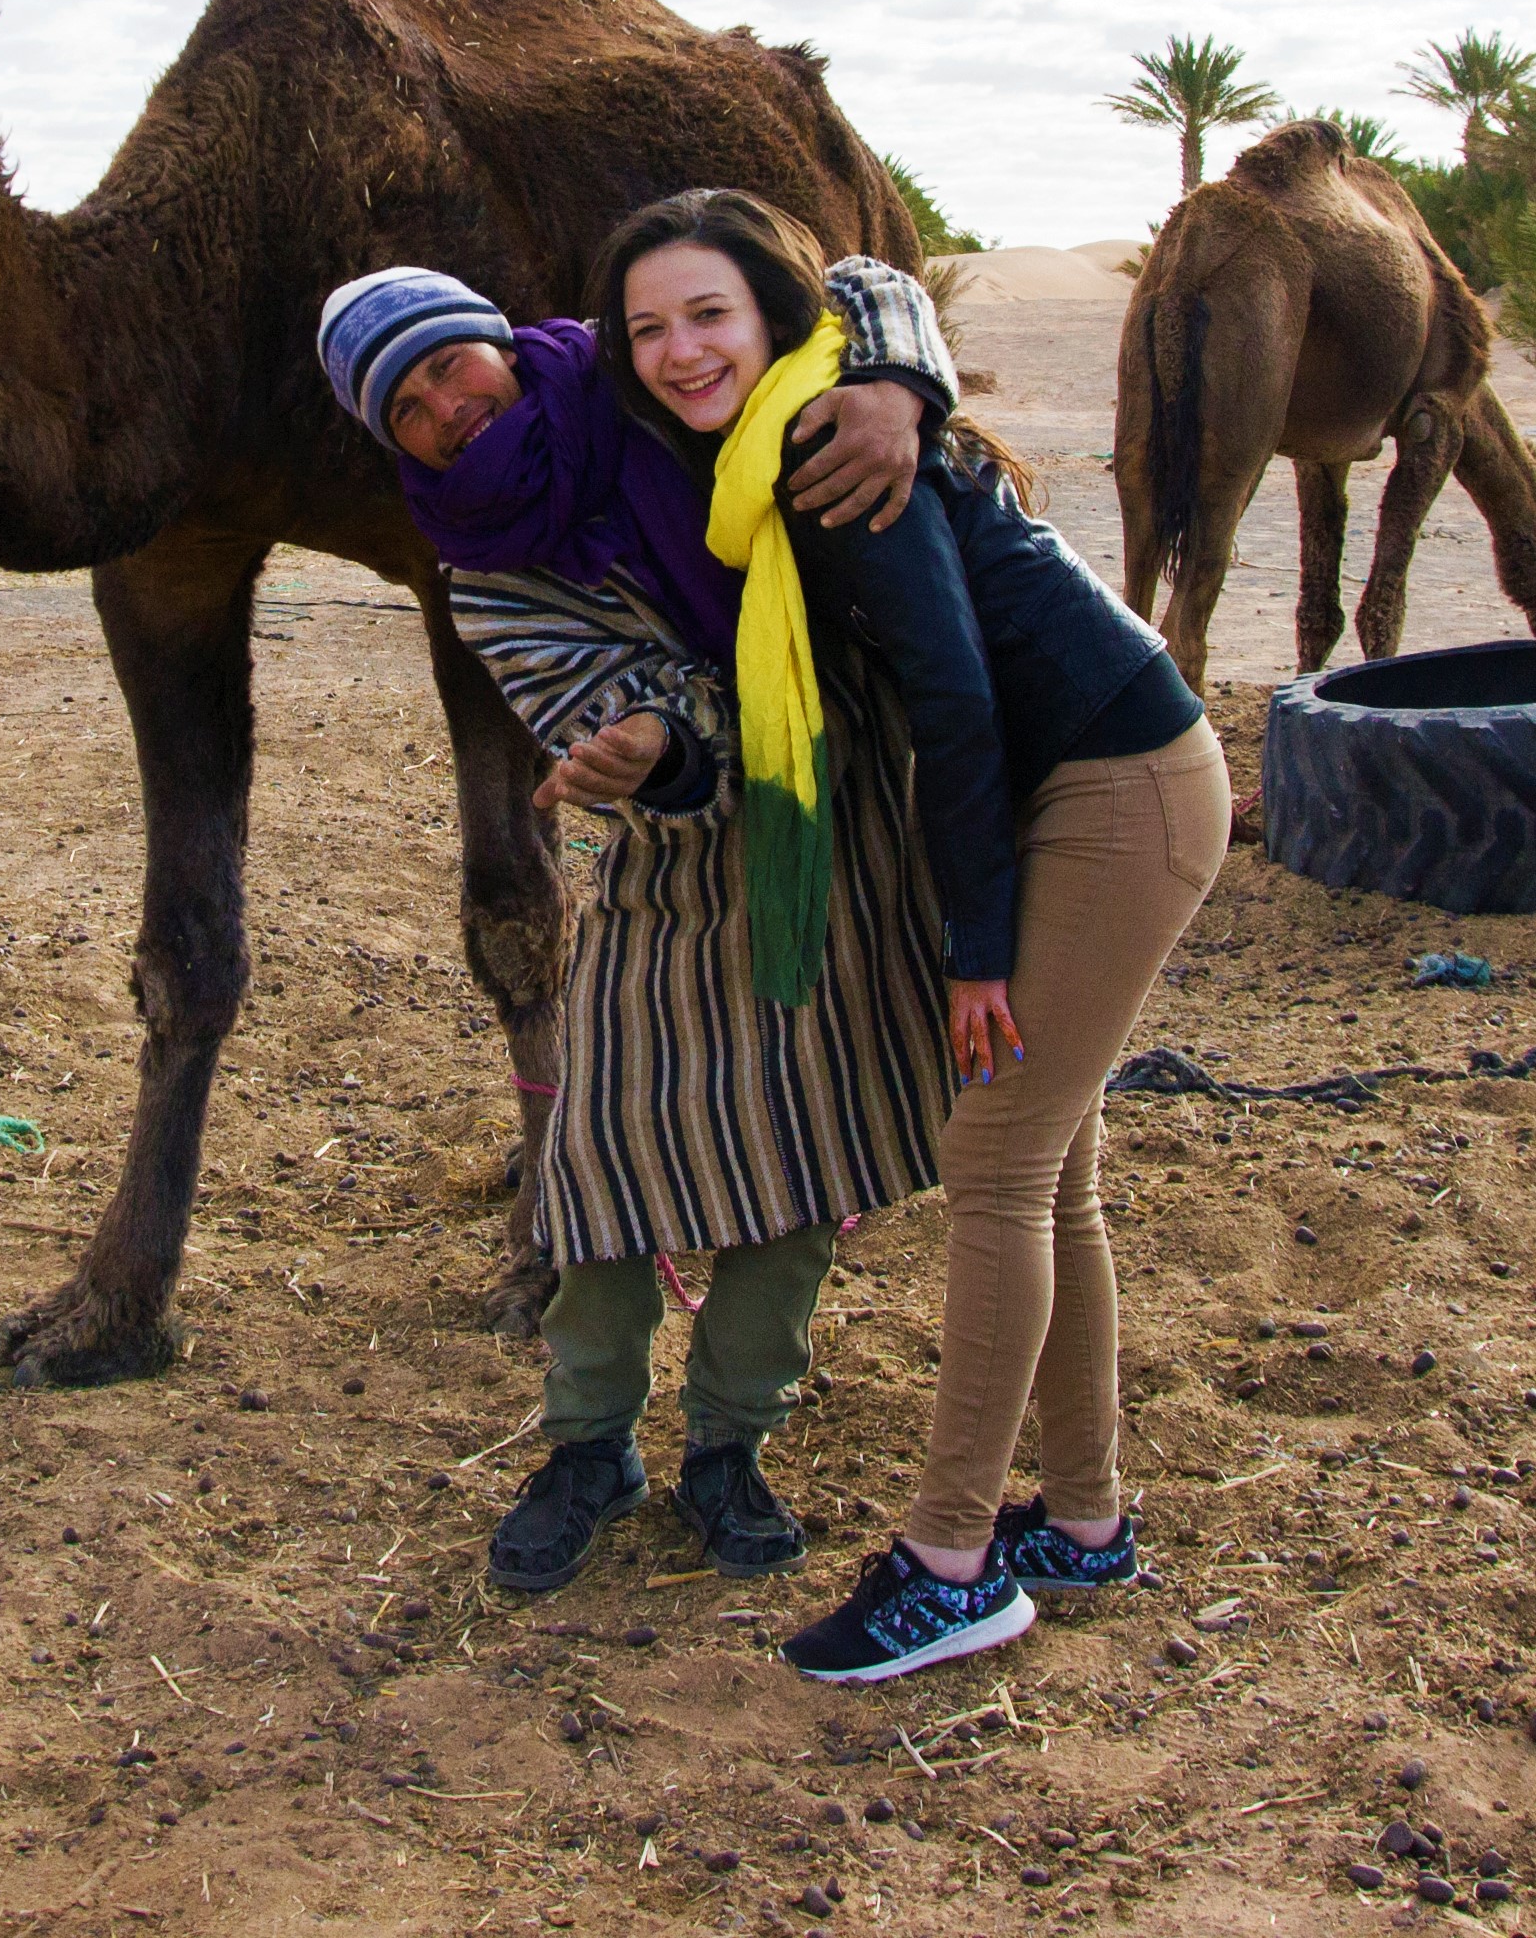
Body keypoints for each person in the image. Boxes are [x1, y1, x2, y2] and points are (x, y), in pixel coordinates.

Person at [583, 190, 1227, 1686]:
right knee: (1051, 1170)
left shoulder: (823, 445)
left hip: (1110, 785)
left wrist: (976, 950)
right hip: (1113, 767)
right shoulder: (786, 438)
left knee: (997, 1168)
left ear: (774, 314)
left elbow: (953, 697)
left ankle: (950, 1564)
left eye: (709, 315)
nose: (681, 352)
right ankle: (1080, 1522)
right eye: (649, 329)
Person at [317, 253, 958, 1594]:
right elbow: (601, 693)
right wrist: (657, 740)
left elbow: (853, 283)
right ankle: (588, 1444)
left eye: (448, 366)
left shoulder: (658, 385)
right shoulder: (486, 570)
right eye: (409, 412)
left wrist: (895, 383)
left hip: (837, 827)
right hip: (670, 860)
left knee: (801, 1156)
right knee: (603, 1157)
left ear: (496, 341)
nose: (446, 410)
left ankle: (729, 1447)